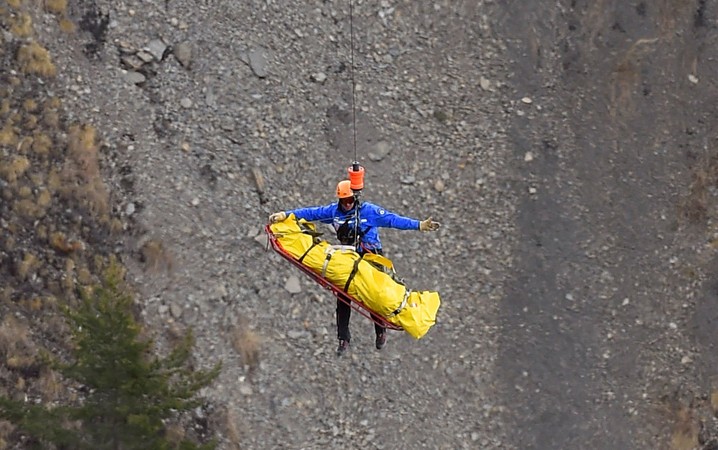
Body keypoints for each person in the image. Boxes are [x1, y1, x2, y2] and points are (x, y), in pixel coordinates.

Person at [268, 180, 440, 356]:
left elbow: (392, 220)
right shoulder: (334, 212)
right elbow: (311, 213)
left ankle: (380, 331)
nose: (347, 204)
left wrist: (419, 225)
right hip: (349, 257)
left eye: (350, 200)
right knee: (343, 296)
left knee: (375, 294)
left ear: (355, 198)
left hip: (371, 254)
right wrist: (285, 215)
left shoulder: (368, 211)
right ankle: (343, 338)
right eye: (344, 201)